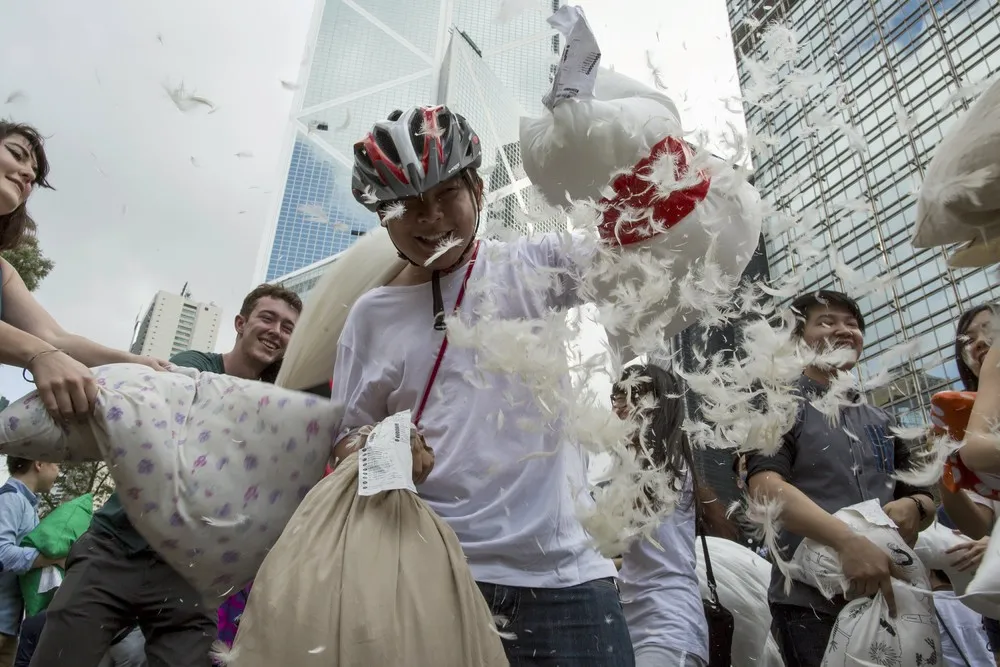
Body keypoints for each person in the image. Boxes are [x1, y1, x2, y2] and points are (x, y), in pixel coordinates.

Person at [329, 104, 729, 665]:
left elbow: (638, 236)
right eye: (407, 206)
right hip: (435, 577)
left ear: (478, 188)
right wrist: (383, 444)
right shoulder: (369, 318)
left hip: (570, 585)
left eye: (446, 195)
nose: (430, 218)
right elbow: (345, 441)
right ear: (383, 220)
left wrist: (595, 130)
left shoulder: (530, 264)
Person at [30, 284, 302, 667]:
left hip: (189, 575)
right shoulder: (194, 365)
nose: (276, 331)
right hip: (117, 548)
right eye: (268, 318)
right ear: (241, 323)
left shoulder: (275, 400)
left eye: (288, 327)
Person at [745, 289, 935, 667]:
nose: (844, 330)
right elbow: (765, 487)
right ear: (799, 337)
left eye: (852, 323)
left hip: (889, 597)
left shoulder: (882, 418)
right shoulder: (778, 401)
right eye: (826, 322)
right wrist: (846, 541)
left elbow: (924, 497)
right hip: (809, 606)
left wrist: (915, 506)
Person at [0, 122, 168, 421]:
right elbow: (46, 346)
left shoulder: (4, 272)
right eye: (16, 154)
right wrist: (38, 354)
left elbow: (56, 338)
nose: (28, 176)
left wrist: (135, 362)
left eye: (33, 177)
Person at [612, 364, 710, 667]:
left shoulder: (664, 462)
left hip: (669, 622)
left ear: (660, 402)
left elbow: (612, 537)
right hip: (632, 622)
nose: (620, 406)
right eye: (617, 398)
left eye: (632, 395)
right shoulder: (635, 465)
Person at [0, 457, 60, 666]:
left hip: (9, 627)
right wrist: (51, 558)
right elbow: (2, 554)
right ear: (39, 463)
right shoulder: (10, 499)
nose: (59, 470)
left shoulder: (26, 504)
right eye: (56, 463)